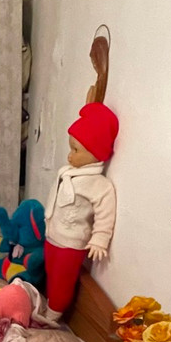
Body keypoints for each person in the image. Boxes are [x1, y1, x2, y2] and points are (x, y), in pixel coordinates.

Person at [44, 102, 119, 314]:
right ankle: (49, 303)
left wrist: (100, 239)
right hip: (53, 235)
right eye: (71, 148)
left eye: (75, 150)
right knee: (50, 272)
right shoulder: (68, 173)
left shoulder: (99, 185)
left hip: (71, 243)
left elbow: (105, 214)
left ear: (96, 151)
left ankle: (54, 313)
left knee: (62, 279)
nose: (70, 155)